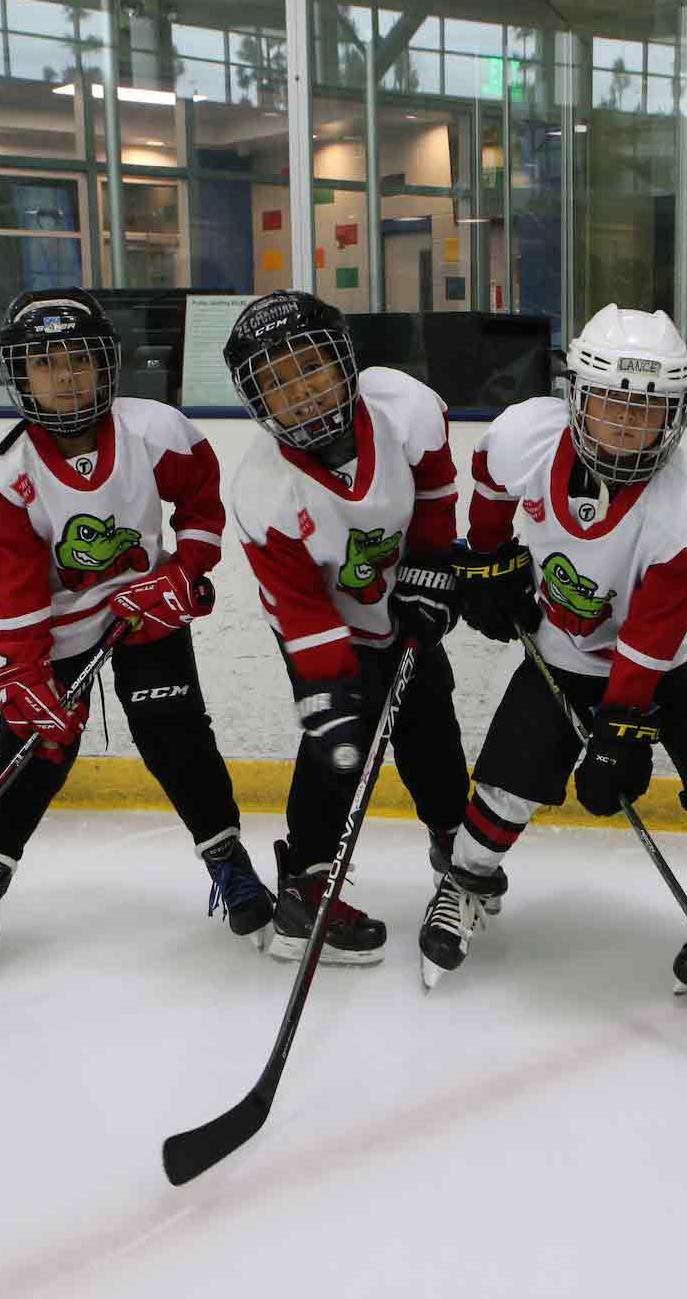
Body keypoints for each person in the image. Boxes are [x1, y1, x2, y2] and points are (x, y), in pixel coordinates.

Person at [420, 304, 687, 991]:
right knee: (504, 787)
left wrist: (620, 730)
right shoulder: (526, 437)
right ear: (576, 396)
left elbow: (651, 636)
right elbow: (488, 475)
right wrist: (487, 555)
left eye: (650, 409)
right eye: (612, 404)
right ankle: (466, 881)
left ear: (678, 413)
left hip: (674, 663)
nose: (630, 426)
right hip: (564, 654)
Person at [0, 288, 272, 961]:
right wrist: (26, 670)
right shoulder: (4, 476)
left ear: (106, 365)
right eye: (44, 362)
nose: (64, 376)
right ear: (20, 374)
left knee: (177, 734)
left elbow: (203, 506)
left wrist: (184, 570)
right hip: (56, 629)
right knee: (32, 753)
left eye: (78, 358)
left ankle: (228, 863)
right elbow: (17, 589)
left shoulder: (156, 431)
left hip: (146, 609)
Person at [225, 290, 470, 966]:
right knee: (341, 744)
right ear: (256, 401)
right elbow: (299, 609)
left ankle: (458, 848)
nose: (298, 393)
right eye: (275, 383)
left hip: (401, 598)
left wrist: (431, 566)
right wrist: (331, 689)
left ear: (344, 361)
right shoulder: (262, 490)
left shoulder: (403, 407)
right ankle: (306, 888)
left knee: (430, 720)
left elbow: (436, 489)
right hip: (325, 625)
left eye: (309, 368)